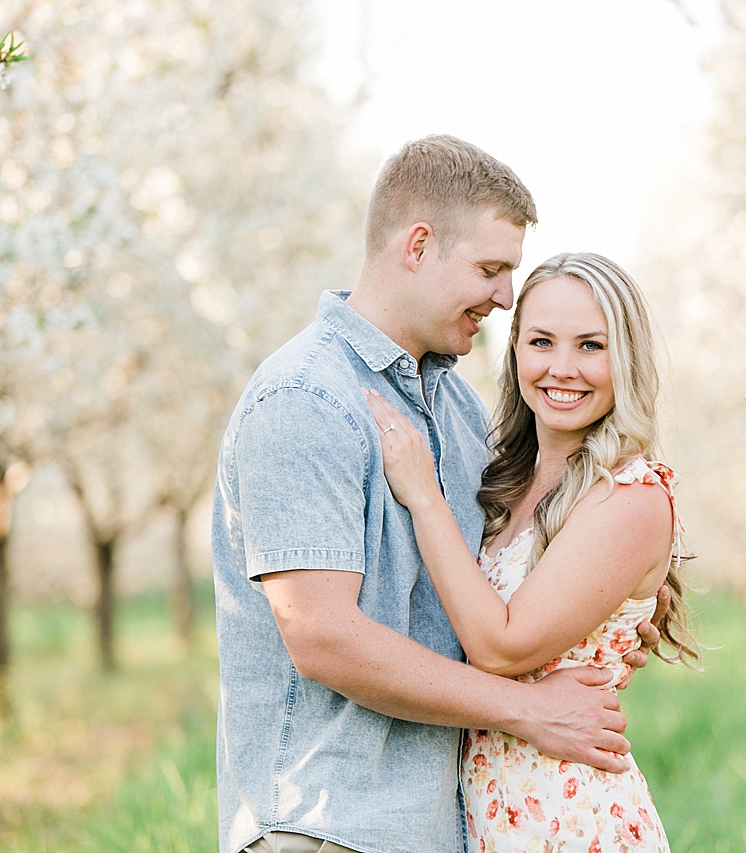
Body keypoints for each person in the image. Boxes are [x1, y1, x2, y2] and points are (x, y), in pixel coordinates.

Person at [211, 137, 662, 853]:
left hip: (444, 825)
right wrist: (528, 707)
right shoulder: (306, 397)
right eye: (491, 269)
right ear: (418, 245)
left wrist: (605, 613)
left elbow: (501, 584)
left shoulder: (457, 411)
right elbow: (323, 635)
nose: (505, 297)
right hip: (325, 825)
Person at [364, 251, 701, 852]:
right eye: (541, 341)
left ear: (626, 358)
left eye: (591, 346)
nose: (562, 368)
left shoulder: (630, 496)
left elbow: (500, 646)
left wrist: (423, 496)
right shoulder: (506, 482)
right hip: (488, 810)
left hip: (567, 819)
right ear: (515, 349)